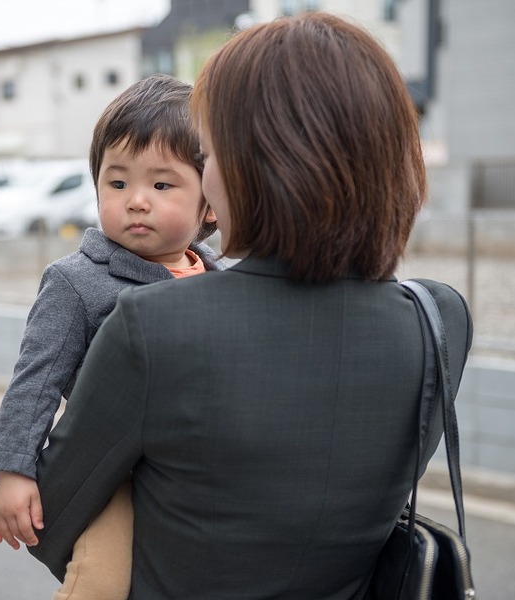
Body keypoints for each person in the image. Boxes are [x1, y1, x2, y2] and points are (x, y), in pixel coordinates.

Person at [27, 13, 474, 599]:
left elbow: (49, 520)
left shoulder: (154, 323)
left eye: (208, 156)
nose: (205, 181)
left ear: (252, 167)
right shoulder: (439, 319)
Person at [0, 74, 221, 598]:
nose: (136, 201)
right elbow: (36, 378)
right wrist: (13, 469)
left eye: (161, 185)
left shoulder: (221, 277)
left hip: (196, 464)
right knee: (102, 576)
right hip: (114, 468)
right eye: (117, 183)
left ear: (210, 203)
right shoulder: (77, 280)